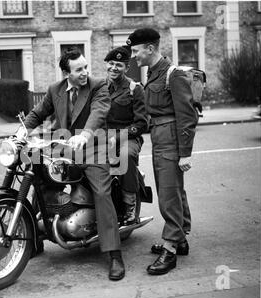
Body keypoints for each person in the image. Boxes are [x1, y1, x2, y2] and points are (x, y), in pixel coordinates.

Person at [14, 47, 125, 281]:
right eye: (78, 69)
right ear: (66, 73)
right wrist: (20, 133)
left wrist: (84, 136)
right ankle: (36, 239)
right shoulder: (56, 89)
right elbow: (37, 113)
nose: (84, 72)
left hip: (94, 149)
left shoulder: (98, 85)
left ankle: (114, 254)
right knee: (38, 175)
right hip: (65, 149)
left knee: (102, 193)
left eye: (85, 67)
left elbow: (99, 113)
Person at [126, 28, 198, 275]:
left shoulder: (172, 74)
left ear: (150, 48)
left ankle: (170, 249)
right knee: (175, 190)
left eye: (136, 51)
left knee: (168, 194)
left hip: (170, 139)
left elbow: (187, 115)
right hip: (160, 137)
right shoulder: (154, 73)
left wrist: (185, 153)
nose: (134, 56)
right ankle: (181, 239)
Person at [104, 46, 149, 225]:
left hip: (129, 137)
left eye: (119, 65)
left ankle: (130, 205)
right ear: (107, 65)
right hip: (104, 137)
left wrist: (120, 136)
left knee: (125, 156)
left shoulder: (134, 88)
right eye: (112, 64)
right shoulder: (100, 88)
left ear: (127, 68)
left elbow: (142, 123)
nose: (114, 68)